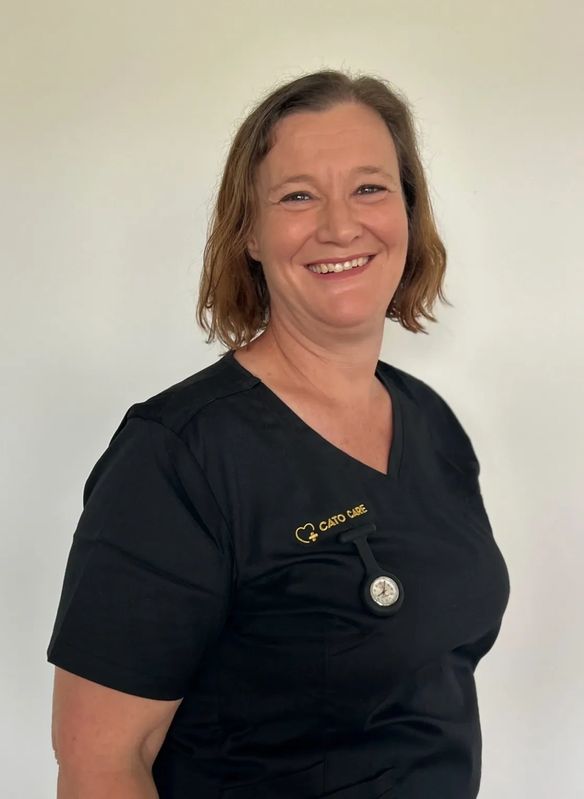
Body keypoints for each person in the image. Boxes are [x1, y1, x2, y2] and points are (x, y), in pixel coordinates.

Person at [47, 69, 510, 798]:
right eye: (298, 196)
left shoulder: (432, 425)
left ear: (410, 213)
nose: (339, 225)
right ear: (250, 234)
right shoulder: (178, 457)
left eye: (370, 188)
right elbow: (102, 764)